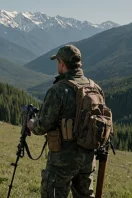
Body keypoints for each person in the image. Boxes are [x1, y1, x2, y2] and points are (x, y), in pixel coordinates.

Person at [27, 44, 104, 198]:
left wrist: (31, 123)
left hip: (63, 160)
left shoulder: (58, 90)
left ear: (62, 63)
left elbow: (42, 126)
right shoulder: (95, 87)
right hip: (88, 158)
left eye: (57, 62)